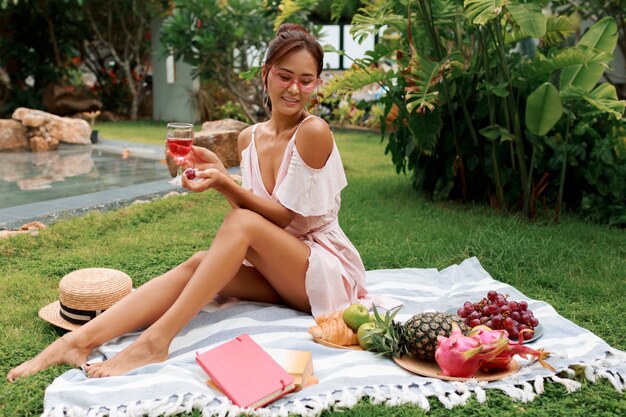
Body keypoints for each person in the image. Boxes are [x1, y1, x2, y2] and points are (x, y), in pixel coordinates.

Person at [7, 23, 369, 381]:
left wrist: (225, 183)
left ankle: (156, 340)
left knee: (238, 227)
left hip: (323, 273)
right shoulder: (248, 139)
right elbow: (255, 223)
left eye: (306, 80)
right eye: (285, 76)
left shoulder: (313, 131)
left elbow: (282, 217)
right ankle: (78, 339)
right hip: (285, 269)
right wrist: (222, 175)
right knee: (201, 262)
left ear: (317, 84)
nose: (294, 89)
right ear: (266, 73)